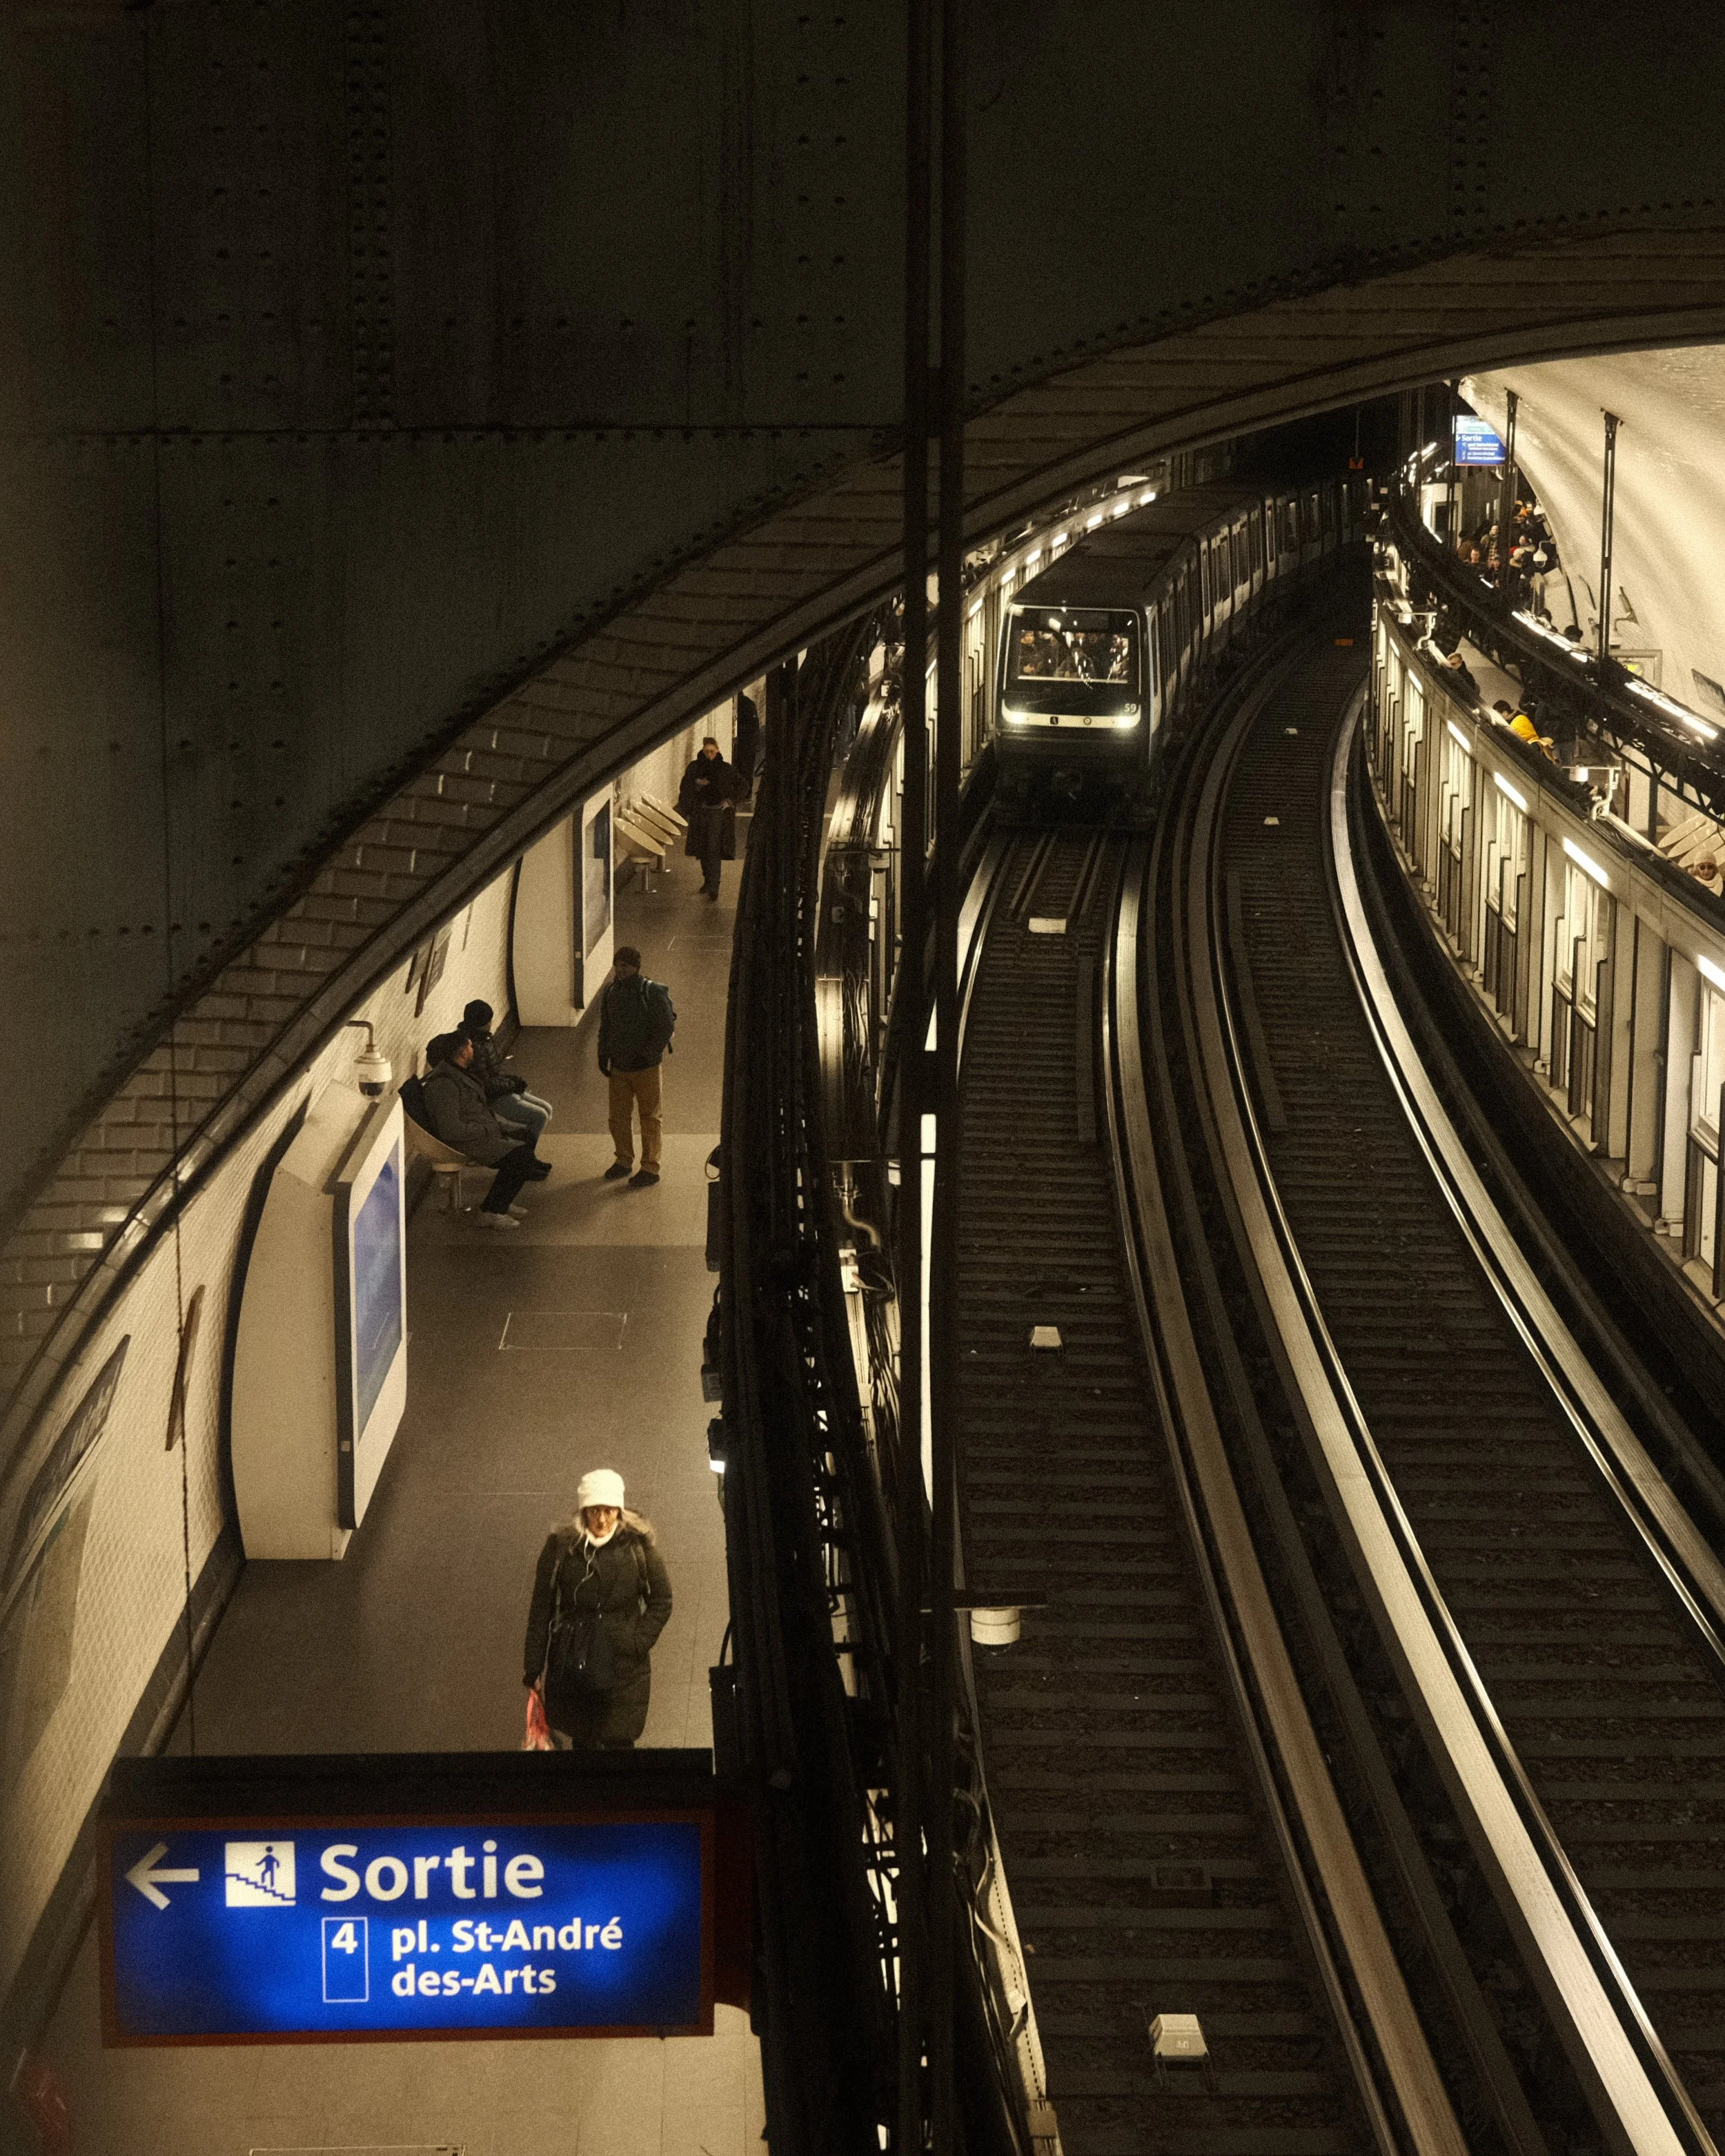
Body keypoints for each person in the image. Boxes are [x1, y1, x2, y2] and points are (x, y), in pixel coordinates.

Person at [522, 1469, 673, 1750]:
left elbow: (662, 1600)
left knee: (620, 1743)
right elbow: (541, 1609)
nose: (602, 1519)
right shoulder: (561, 1547)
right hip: (576, 1662)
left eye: (609, 1510)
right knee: (584, 1744)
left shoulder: (638, 1546)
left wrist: (636, 1642)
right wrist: (534, 1667)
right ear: (583, 1511)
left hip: (623, 1667)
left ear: (619, 1509)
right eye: (594, 1511)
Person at [420, 1032, 550, 1228]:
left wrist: (498, 1127)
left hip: (481, 1131)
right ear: (463, 1052)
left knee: (528, 1136)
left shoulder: (459, 1073)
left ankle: (502, 1200)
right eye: (471, 1046)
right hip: (468, 1141)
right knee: (521, 1158)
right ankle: (491, 1211)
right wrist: (488, 1130)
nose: (474, 1050)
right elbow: (451, 1130)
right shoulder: (444, 1085)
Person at [597, 945, 676, 1188]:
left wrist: (648, 1055)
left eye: (626, 966)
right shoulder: (611, 992)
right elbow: (606, 1026)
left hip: (647, 1068)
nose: (620, 970)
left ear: (636, 968)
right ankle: (623, 1160)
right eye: (617, 965)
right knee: (618, 1117)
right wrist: (603, 1054)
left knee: (650, 1117)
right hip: (620, 1065)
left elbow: (665, 1027)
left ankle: (651, 1167)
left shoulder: (650, 992)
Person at [459, 999, 553, 1140]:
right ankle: (523, 1152)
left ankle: (520, 1142)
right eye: (488, 1021)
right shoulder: (474, 1048)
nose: (491, 1024)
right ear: (481, 1024)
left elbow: (494, 1071)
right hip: (493, 1096)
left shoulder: (484, 1039)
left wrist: (511, 1081)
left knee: (547, 1109)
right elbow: (486, 1084)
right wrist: (512, 1085)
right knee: (540, 1116)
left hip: (500, 1088)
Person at [677, 735, 738, 901]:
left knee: (713, 849)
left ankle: (714, 885)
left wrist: (730, 802)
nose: (709, 755)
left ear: (717, 751)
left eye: (712, 752)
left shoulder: (725, 769)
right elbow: (685, 786)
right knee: (703, 848)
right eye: (707, 752)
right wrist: (697, 785)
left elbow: (742, 785)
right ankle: (708, 880)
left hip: (717, 813)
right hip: (700, 812)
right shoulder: (695, 768)